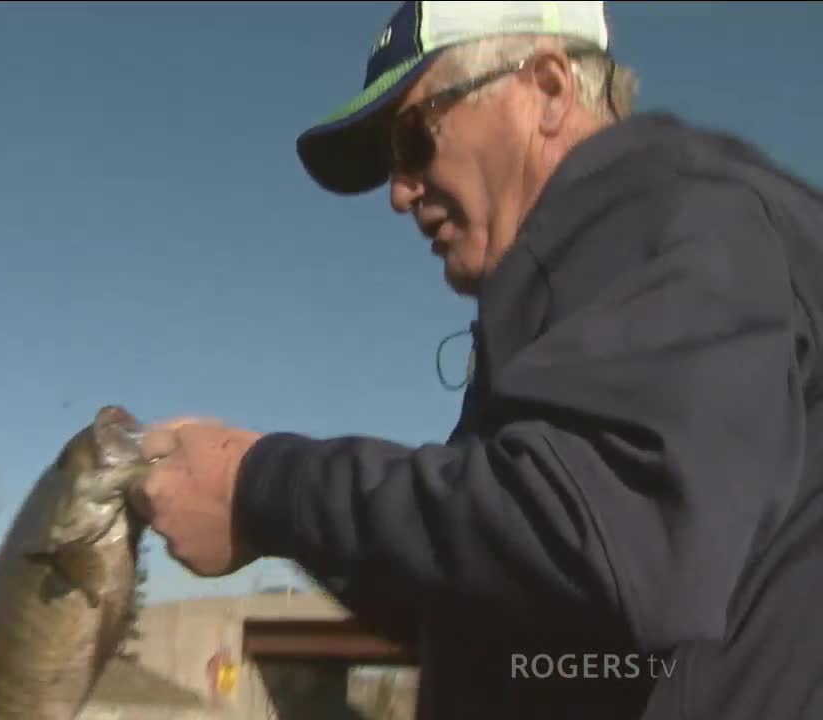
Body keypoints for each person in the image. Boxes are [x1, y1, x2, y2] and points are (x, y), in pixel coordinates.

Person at [128, 2, 823, 719]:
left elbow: (617, 551)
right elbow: (488, 608)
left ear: (548, 89)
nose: (399, 192)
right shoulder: (591, 295)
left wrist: (265, 484)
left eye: (412, 139)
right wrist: (272, 522)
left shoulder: (671, 213)